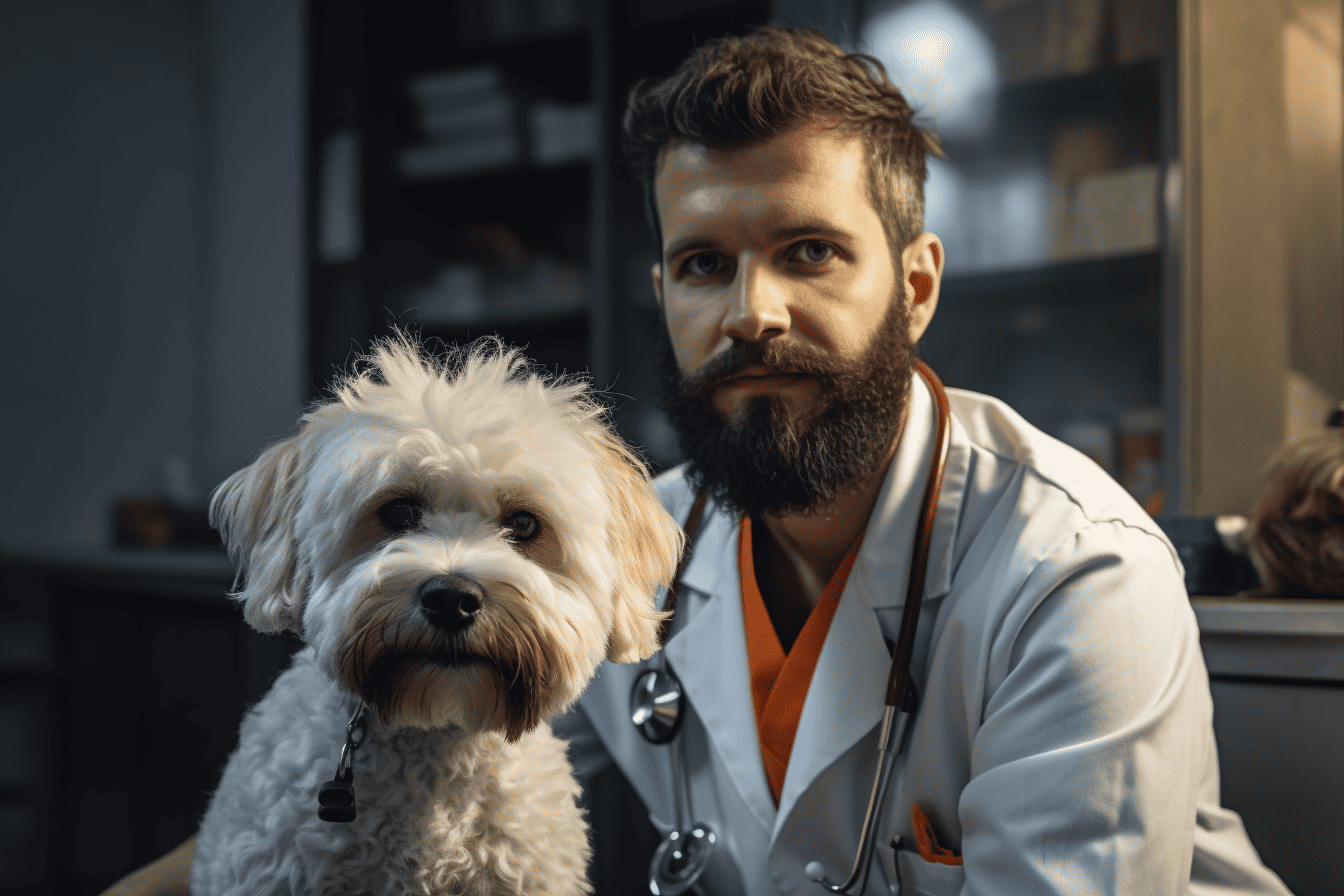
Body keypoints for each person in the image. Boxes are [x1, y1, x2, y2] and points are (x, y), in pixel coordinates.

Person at [103, 24, 1292, 896]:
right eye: (703, 262)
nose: (752, 311)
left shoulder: (1074, 577)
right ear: (662, 286)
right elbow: (416, 766)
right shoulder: (620, 547)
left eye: (811, 251)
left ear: (916, 285)